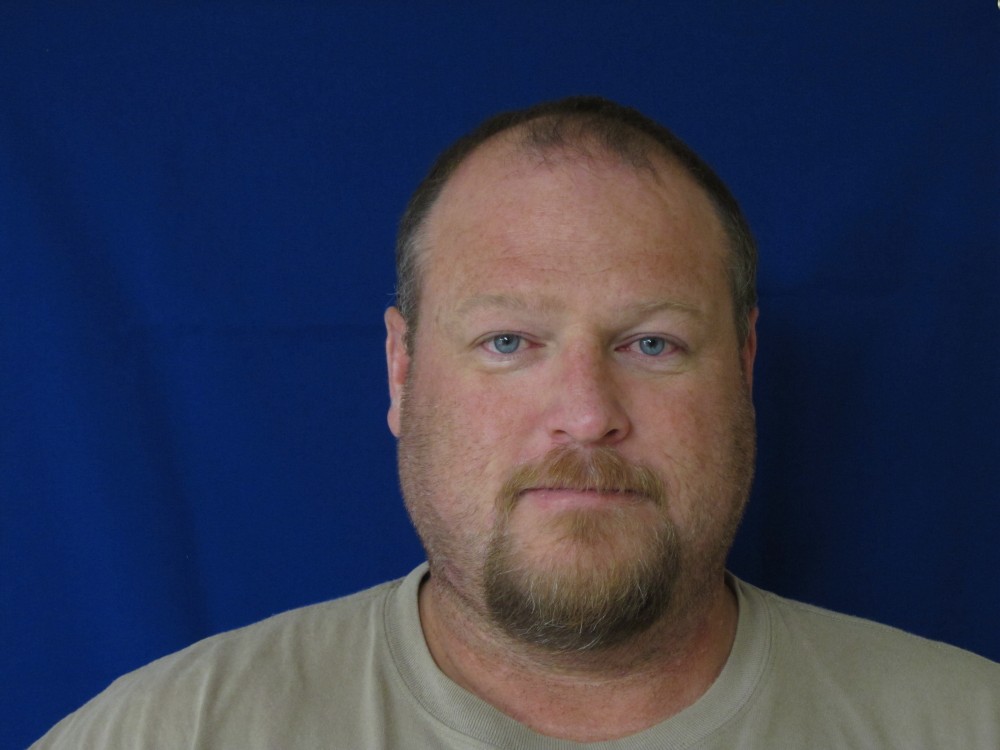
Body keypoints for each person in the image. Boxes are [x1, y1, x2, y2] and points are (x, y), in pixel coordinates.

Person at [32, 96, 999, 748]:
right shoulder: (167, 734)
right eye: (508, 341)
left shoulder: (967, 725)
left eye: (652, 343)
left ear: (743, 368)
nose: (586, 414)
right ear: (401, 370)